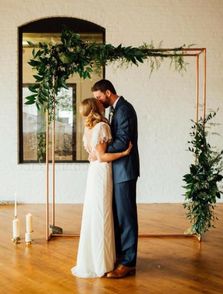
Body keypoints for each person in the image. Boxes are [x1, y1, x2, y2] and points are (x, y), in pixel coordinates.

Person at [71, 98, 132, 278]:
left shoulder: (88, 128)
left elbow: (94, 155)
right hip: (102, 172)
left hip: (94, 172)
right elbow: (102, 156)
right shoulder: (102, 127)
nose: (100, 102)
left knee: (95, 213)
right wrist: (124, 153)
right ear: (95, 108)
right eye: (97, 102)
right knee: (102, 213)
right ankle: (102, 262)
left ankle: (96, 258)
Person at [91, 79, 139, 279]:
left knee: (126, 217)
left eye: (99, 97)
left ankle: (128, 263)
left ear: (108, 92)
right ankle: (120, 255)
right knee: (118, 215)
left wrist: (100, 151)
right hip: (115, 170)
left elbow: (122, 141)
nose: (98, 102)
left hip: (124, 171)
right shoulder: (115, 109)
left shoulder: (125, 109)